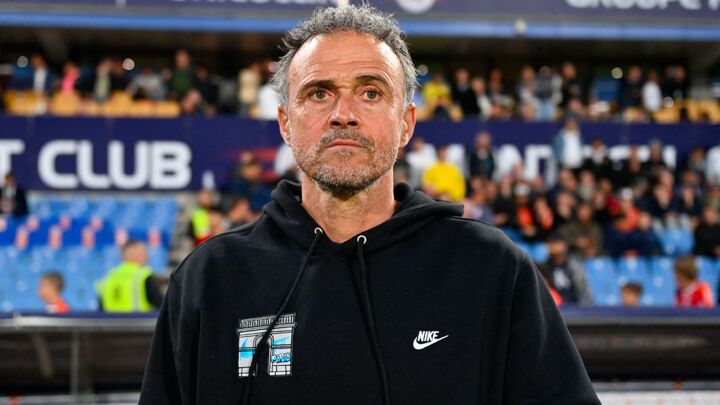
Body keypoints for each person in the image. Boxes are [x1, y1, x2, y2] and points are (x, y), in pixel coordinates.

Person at [140, 6, 599, 404]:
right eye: (319, 93)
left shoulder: (491, 268)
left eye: (371, 92)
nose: (343, 114)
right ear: (285, 123)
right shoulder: (211, 279)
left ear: (406, 124)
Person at [98, 240, 163, 312]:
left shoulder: (108, 277)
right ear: (133, 254)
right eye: (143, 253)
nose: (147, 257)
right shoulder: (144, 276)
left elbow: (100, 309)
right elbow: (162, 305)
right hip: (140, 319)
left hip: (110, 319)